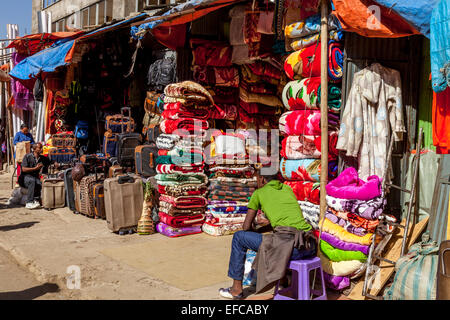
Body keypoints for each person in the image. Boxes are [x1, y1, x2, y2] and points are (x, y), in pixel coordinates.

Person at [219, 173, 317, 299]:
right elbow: (284, 224)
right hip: (309, 245)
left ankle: (236, 290)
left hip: (292, 249)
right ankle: (283, 281)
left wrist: (255, 228)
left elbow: (246, 227)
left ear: (262, 179)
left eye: (257, 179)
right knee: (278, 238)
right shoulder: (287, 189)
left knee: (239, 237)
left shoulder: (259, 193)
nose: (256, 182)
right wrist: (263, 229)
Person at [18, 143, 52, 209]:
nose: (41, 149)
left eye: (41, 147)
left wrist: (55, 163)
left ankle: (36, 199)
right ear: (34, 149)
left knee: (39, 182)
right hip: (24, 178)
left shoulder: (43, 158)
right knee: (32, 181)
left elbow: (51, 162)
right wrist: (35, 168)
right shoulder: (27, 156)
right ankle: (29, 202)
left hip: (34, 178)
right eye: (39, 148)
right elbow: (23, 169)